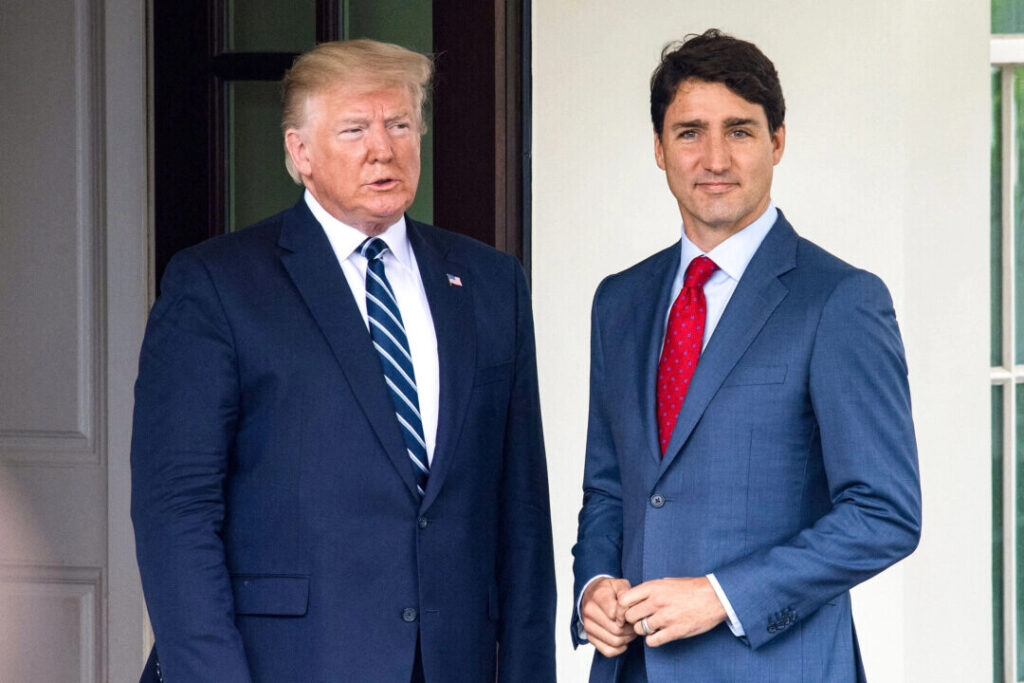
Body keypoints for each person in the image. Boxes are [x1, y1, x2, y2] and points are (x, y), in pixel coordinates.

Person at [131, 39, 555, 683]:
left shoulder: (492, 282)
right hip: (286, 664)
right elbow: (177, 513)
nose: (382, 149)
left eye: (400, 125)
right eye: (355, 129)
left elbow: (522, 515)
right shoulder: (216, 285)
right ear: (300, 151)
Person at [571, 29, 921, 682]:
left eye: (739, 131)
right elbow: (611, 487)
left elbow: (884, 513)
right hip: (631, 668)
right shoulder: (619, 302)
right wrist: (594, 585)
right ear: (659, 148)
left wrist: (721, 596)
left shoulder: (839, 300)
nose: (715, 158)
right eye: (689, 132)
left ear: (777, 142)